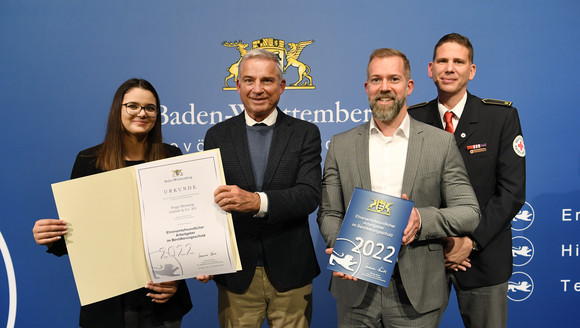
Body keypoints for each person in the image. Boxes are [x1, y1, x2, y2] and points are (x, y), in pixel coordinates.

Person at [317, 48, 481, 327]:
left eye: (393, 79)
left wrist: (421, 219)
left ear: (409, 86)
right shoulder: (340, 145)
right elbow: (329, 213)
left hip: (416, 293)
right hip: (356, 289)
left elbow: (469, 212)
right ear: (367, 87)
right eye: (376, 80)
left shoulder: (439, 143)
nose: (384, 88)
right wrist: (342, 247)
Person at [32, 78, 192, 328]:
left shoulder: (172, 157)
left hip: (161, 301)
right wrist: (51, 236)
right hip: (107, 304)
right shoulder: (89, 161)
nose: (142, 113)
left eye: (150, 108)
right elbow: (80, 234)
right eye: (133, 106)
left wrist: (177, 279)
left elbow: (185, 229)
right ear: (118, 109)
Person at [197, 49, 321, 327]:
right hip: (236, 274)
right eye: (249, 80)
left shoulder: (305, 133)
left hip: (291, 272)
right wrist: (201, 255)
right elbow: (207, 205)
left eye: (266, 80)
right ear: (238, 85)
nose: (257, 89)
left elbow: (309, 195)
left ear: (281, 86)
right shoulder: (217, 135)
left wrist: (256, 202)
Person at [408, 33, 526, 328]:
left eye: (458, 61)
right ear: (430, 69)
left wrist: (470, 242)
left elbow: (511, 192)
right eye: (443, 61)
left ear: (471, 71)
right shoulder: (411, 120)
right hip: (424, 257)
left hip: (484, 258)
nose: (450, 68)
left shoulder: (500, 117)